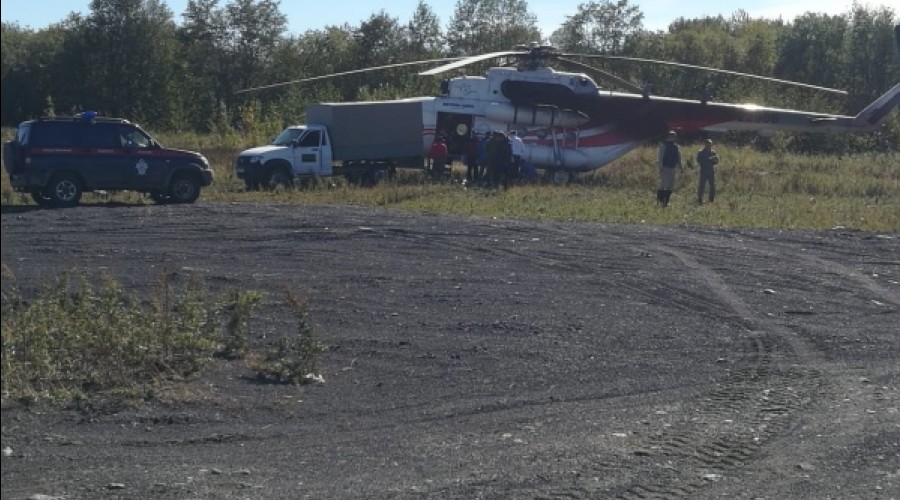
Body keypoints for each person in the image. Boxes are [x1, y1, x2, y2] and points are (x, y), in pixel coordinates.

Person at [656, 130, 683, 206]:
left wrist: (680, 167)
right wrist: (660, 167)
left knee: (670, 185)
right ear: (669, 136)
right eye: (672, 136)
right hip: (665, 167)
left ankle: (666, 201)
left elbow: (678, 157)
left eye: (674, 136)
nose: (674, 137)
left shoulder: (676, 146)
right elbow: (660, 156)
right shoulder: (663, 145)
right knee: (664, 184)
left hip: (672, 167)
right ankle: (660, 201)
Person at [696, 138, 719, 204]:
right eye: (708, 144)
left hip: (711, 171)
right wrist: (708, 159)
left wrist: (715, 160)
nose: (709, 145)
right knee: (702, 185)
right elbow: (699, 160)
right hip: (703, 171)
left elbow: (716, 161)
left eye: (710, 144)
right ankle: (700, 199)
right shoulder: (701, 152)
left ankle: (711, 199)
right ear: (705, 144)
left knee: (712, 185)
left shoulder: (713, 152)